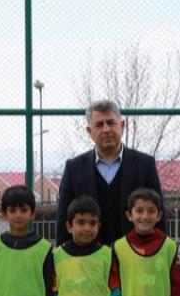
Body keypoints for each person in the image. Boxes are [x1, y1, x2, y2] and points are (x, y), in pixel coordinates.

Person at [55, 100, 163, 246]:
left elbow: (158, 213)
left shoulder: (145, 164)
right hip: (89, 259)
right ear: (89, 131)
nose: (106, 129)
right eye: (99, 125)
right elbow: (64, 218)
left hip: (135, 257)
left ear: (122, 126)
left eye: (111, 123)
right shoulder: (74, 168)